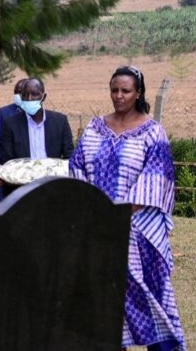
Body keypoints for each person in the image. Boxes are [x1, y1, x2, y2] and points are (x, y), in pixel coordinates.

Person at [70, 66, 186, 351]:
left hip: (138, 233)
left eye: (126, 91)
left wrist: (118, 215)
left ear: (138, 93)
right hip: (97, 232)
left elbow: (157, 179)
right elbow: (77, 167)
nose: (119, 96)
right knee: (104, 302)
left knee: (149, 299)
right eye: (114, 90)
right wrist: (95, 212)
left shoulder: (152, 133)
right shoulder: (95, 128)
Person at [0, 78, 74, 201]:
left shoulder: (60, 122)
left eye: (35, 94)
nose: (30, 99)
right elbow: (9, 162)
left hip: (54, 190)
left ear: (44, 96)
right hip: (21, 192)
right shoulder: (10, 124)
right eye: (25, 95)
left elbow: (69, 157)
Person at [0, 79, 26, 207]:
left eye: (21, 92)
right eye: (16, 92)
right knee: (0, 207)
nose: (18, 95)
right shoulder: (4, 112)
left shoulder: (35, 114)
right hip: (3, 169)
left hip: (25, 169)